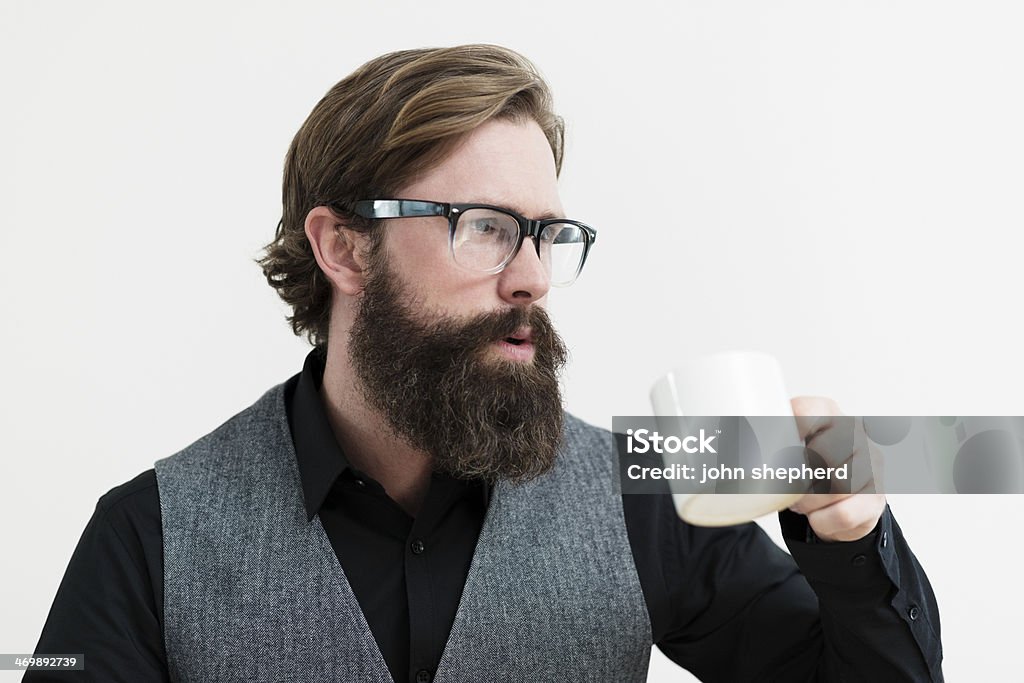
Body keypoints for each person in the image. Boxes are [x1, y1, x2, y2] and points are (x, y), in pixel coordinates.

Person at [27, 44, 942, 682]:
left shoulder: (648, 498)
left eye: (548, 235)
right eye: (487, 229)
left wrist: (851, 535)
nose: (533, 278)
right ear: (343, 249)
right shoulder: (148, 536)